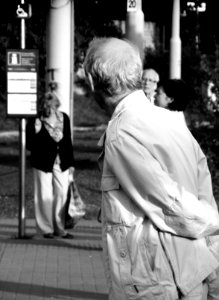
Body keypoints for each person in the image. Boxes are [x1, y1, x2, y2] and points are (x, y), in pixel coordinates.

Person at [83, 37, 219, 300]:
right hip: (191, 274)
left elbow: (170, 203)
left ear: (91, 81)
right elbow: (204, 192)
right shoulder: (173, 122)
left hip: (155, 285)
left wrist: (214, 224)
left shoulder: (121, 133)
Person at [26, 91, 75, 239]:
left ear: (56, 105)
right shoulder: (36, 120)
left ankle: (59, 228)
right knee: (43, 194)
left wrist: (71, 162)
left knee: (61, 193)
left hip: (62, 161)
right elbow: (29, 144)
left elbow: (68, 141)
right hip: (42, 162)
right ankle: (45, 229)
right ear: (42, 106)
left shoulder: (63, 118)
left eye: (53, 106)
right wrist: (37, 131)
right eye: (47, 106)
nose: (50, 109)